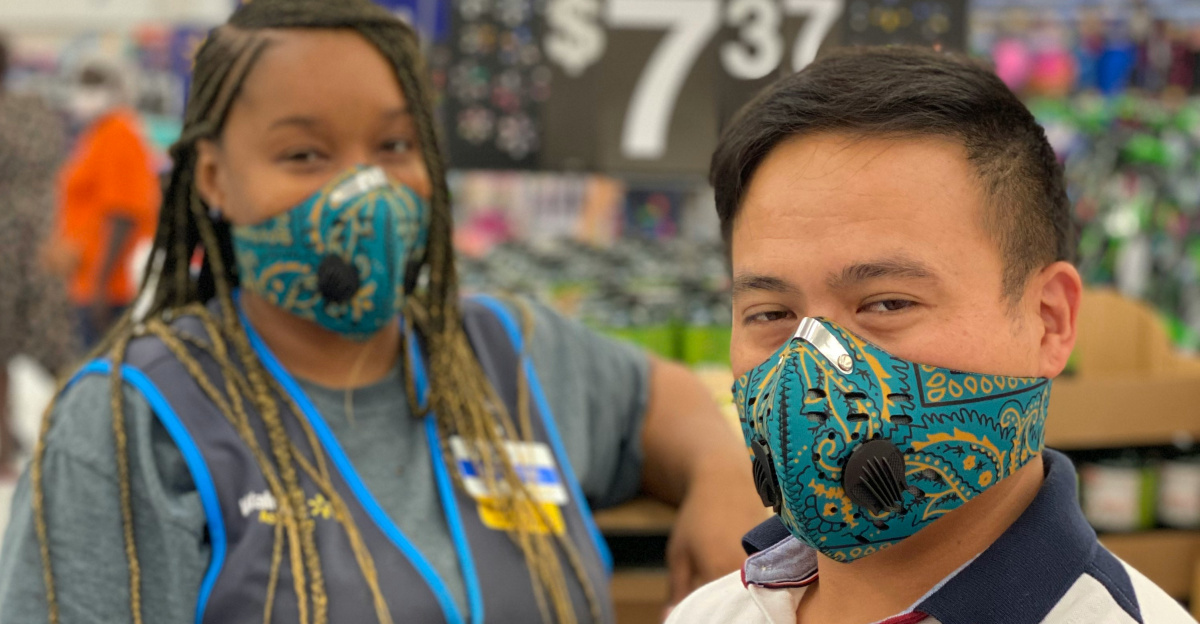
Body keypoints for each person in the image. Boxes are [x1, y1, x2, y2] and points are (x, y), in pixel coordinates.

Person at [0, 2, 765, 623]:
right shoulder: (130, 425)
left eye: (395, 144)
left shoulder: (508, 350)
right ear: (213, 179)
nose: (364, 193)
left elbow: (655, 397)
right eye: (304, 155)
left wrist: (719, 468)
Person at [668, 47, 1197, 624]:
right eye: (770, 313)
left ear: (1050, 321)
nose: (808, 364)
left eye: (888, 302)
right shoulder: (711, 613)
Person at [0, 33, 78, 478]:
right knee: (58, 351)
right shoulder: (37, 112)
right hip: (44, 240)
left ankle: (3, 452)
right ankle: (101, 430)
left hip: (7, 249)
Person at [41, 60, 160, 349]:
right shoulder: (96, 134)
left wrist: (101, 285)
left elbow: (123, 214)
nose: (85, 93)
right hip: (91, 281)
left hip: (112, 287)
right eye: (82, 85)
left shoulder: (119, 133)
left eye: (95, 85)